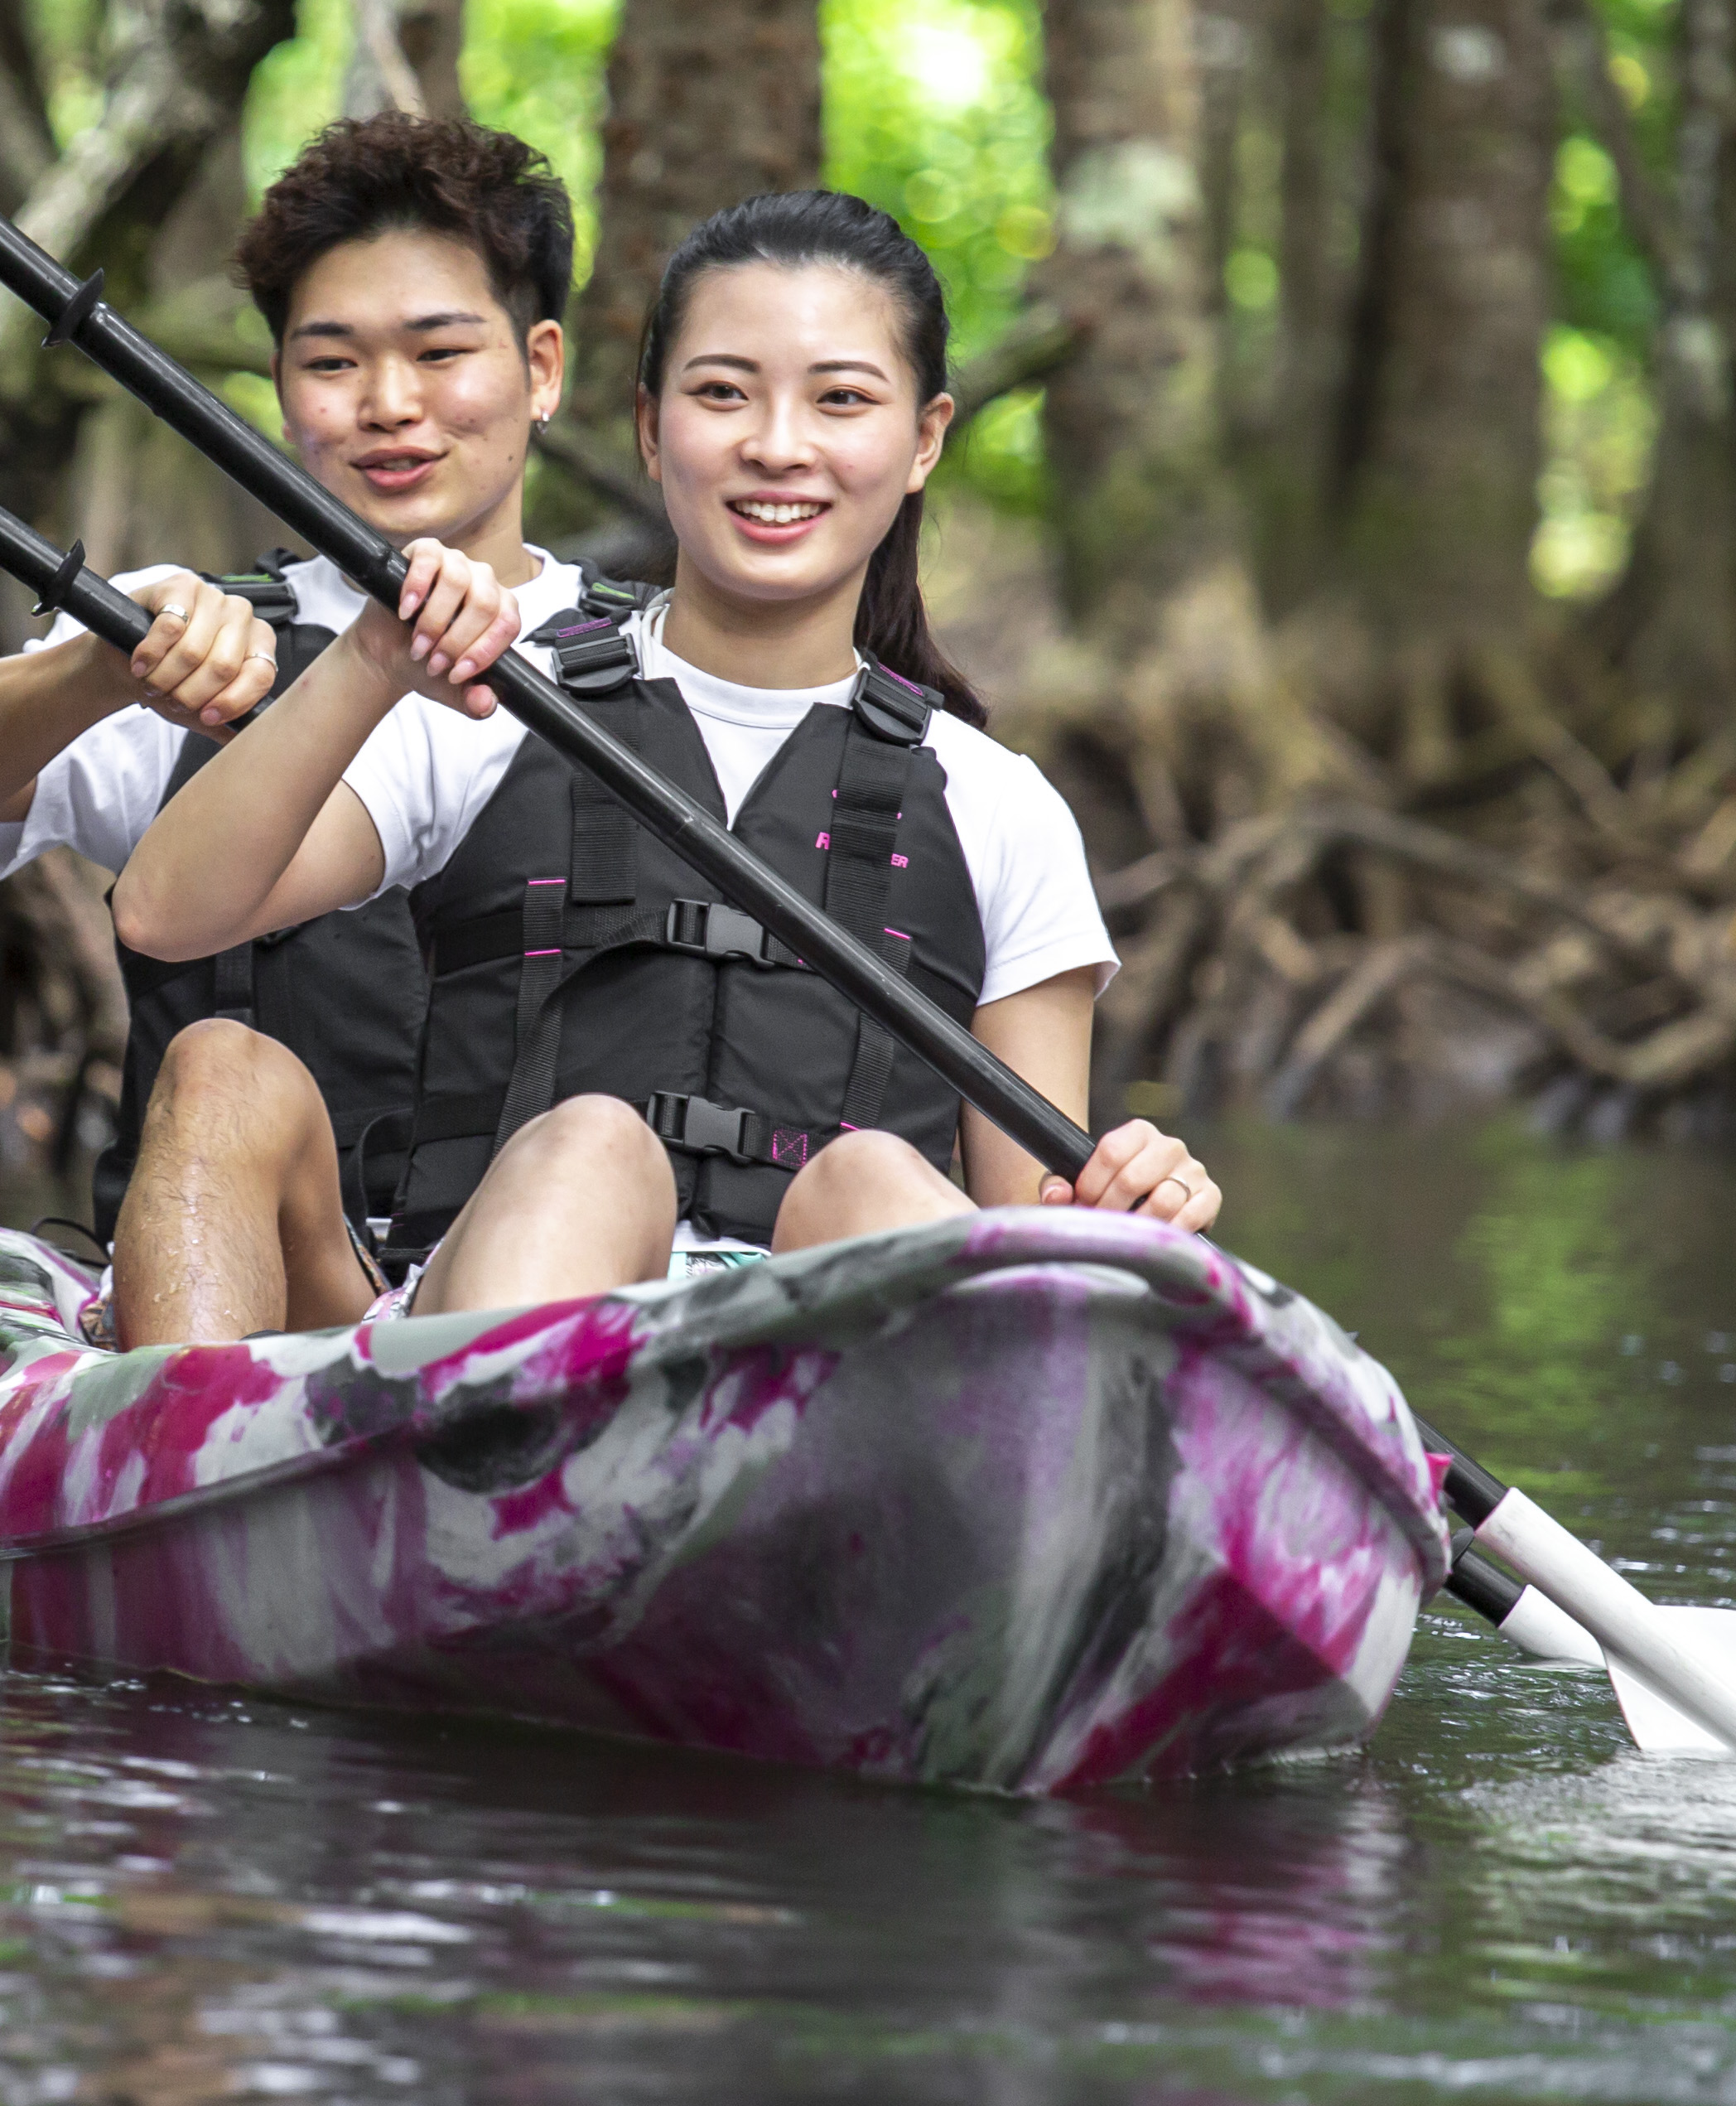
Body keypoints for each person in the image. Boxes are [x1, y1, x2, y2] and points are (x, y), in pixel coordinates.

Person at [111, 187, 1216, 1335]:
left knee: (870, 1181)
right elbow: (165, 912)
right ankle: (317, 1469)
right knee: (265, 1076)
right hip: (482, 1326)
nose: (776, 447)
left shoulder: (999, 804)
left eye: (840, 400)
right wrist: (370, 662)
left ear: (925, 438)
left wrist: (1121, 1208)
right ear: (649, 427)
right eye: (722, 393)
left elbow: (1028, 1229)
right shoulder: (496, 700)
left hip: (821, 1379)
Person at [0, 114, 609, 1321]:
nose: (388, 405)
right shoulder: (190, 634)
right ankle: (177, 1449)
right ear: (278, 388)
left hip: (533, 1294)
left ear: (542, 370)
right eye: (331, 363)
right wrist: (100, 668)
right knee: (218, 1072)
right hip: (245, 1286)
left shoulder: (653, 664)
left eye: (439, 353)